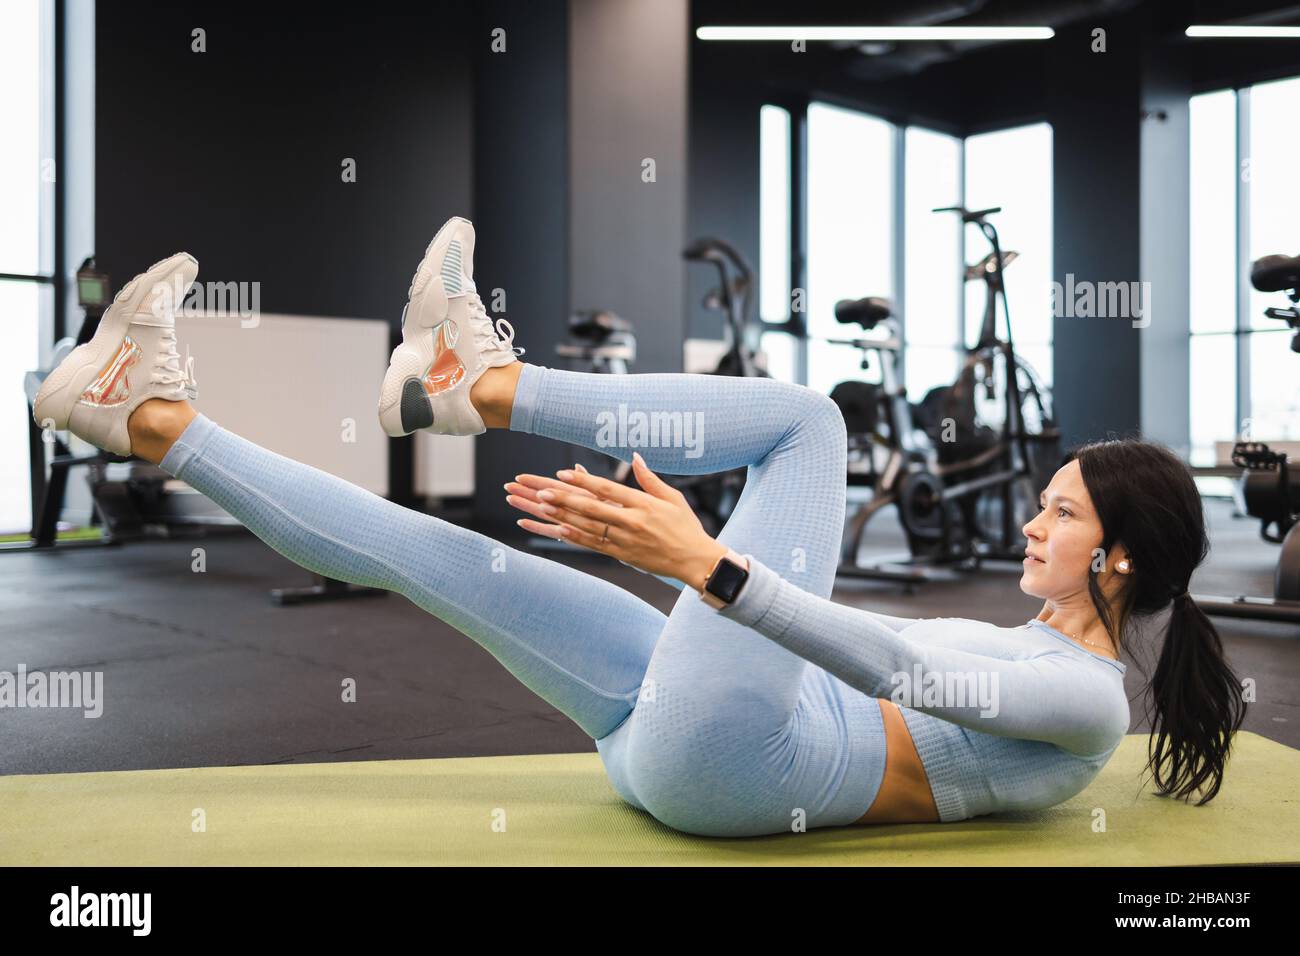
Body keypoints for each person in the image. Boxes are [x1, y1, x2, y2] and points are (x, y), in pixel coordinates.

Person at [32, 217, 1247, 838]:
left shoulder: (1090, 705)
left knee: (809, 425)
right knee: (452, 555)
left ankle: (478, 386)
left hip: (744, 767)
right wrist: (696, 562)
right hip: (693, 731)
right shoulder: (1041, 647)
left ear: (1121, 554)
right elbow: (830, 633)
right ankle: (148, 419)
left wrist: (709, 566)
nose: (1032, 522)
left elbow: (893, 666)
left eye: (1059, 510)